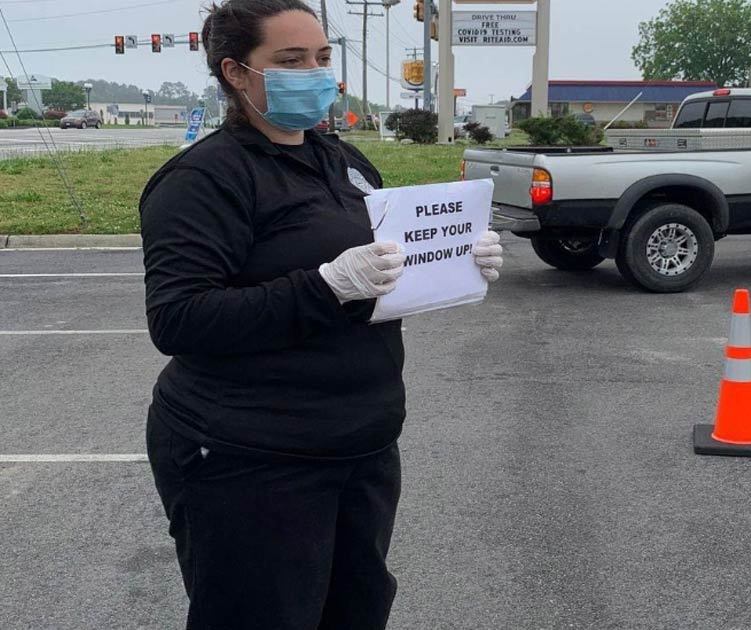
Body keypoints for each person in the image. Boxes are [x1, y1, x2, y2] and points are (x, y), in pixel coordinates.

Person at [139, 1, 504, 628]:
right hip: (248, 457)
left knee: (355, 612)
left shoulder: (346, 163)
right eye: (290, 60)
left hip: (360, 446)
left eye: (322, 57)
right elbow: (179, 318)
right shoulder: (204, 179)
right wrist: (327, 286)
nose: (317, 73)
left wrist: (451, 261)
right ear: (236, 72)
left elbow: (387, 271)